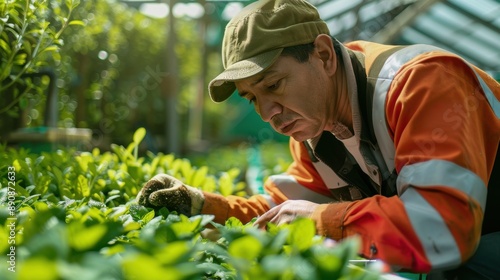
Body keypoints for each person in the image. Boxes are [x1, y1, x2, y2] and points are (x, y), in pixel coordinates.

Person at [136, 0, 500, 278]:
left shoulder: (422, 84)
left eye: (274, 85)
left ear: (323, 55)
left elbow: (445, 230)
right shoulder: (315, 130)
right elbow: (284, 212)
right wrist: (200, 205)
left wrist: (324, 221)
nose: (267, 113)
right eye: (251, 98)